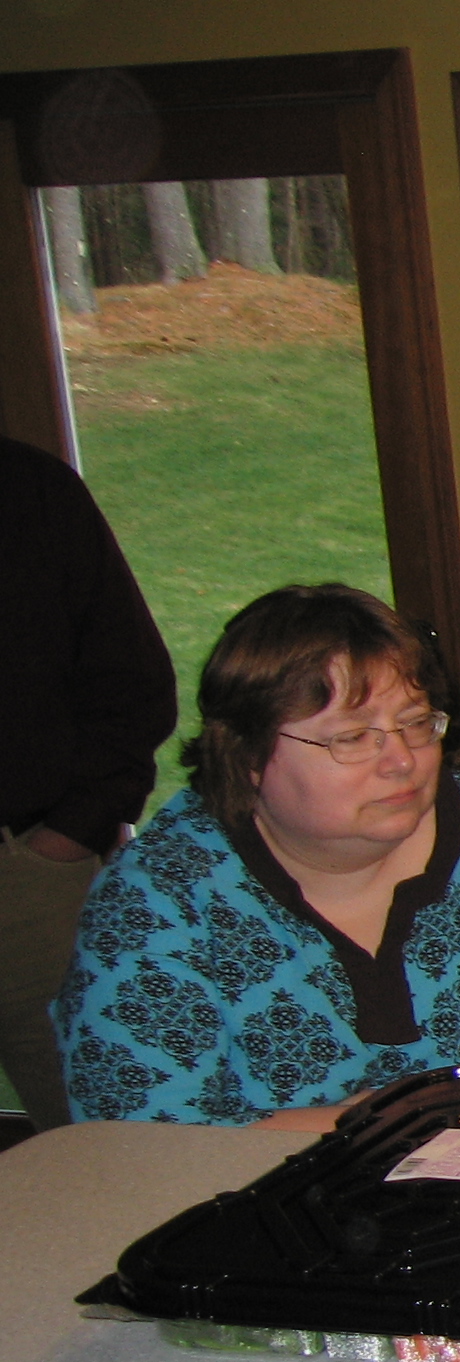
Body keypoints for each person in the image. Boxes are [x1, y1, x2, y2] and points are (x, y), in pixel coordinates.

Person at [54, 584, 460, 1124]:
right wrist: (392, 1123)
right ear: (246, 755)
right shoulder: (159, 894)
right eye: (353, 737)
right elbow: (142, 1131)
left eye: (416, 723)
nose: (402, 759)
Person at [0, 436, 177, 1131]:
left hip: (26, 879)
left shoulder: (29, 492)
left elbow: (131, 683)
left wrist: (68, 836)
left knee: (99, 1136)